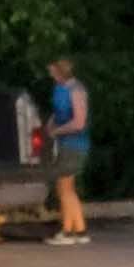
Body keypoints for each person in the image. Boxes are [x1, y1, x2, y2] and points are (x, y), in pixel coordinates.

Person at [45, 57, 91, 244]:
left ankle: (66, 231)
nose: (50, 74)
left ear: (60, 72)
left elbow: (79, 122)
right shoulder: (61, 89)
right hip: (65, 143)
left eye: (52, 71)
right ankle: (79, 231)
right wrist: (50, 125)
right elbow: (58, 112)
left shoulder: (76, 90)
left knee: (64, 188)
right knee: (67, 188)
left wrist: (56, 131)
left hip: (74, 144)